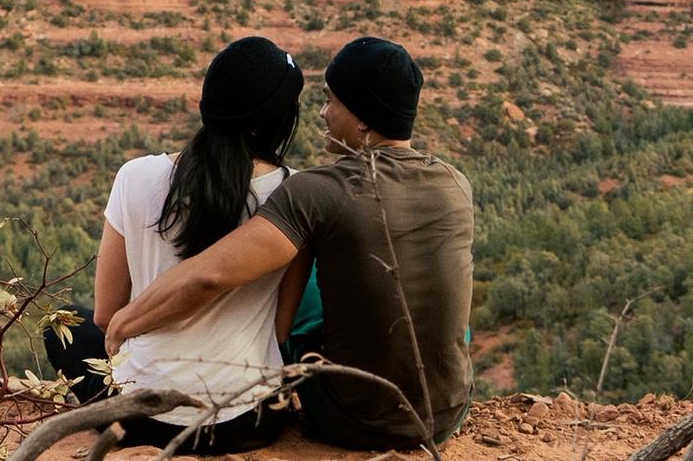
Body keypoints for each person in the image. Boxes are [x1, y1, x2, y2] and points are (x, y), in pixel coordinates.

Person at [106, 36, 474, 451]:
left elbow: (210, 274)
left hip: (350, 420)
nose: (322, 112)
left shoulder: (316, 190)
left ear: (363, 120)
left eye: (331, 101)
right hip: (445, 415)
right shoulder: (456, 184)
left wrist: (128, 320)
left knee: (308, 296)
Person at [44, 35, 311, 453]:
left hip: (140, 418)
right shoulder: (294, 196)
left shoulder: (135, 176)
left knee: (64, 324)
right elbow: (279, 331)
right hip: (247, 421)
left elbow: (107, 315)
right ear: (279, 119)